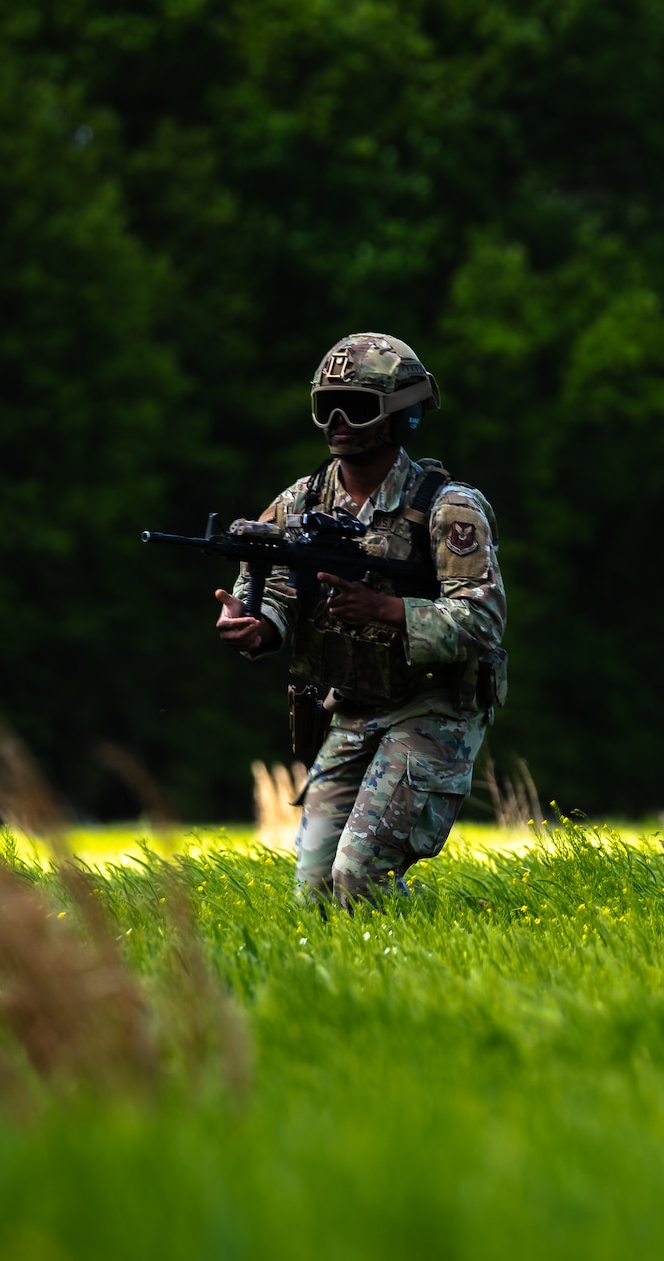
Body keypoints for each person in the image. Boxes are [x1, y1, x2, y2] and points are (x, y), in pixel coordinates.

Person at [213, 333, 507, 908]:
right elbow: (272, 592)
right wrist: (258, 627)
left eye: (360, 406)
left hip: (433, 705)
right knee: (315, 895)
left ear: (403, 417)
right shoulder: (303, 501)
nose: (339, 421)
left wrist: (389, 611)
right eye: (328, 406)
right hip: (352, 706)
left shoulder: (449, 508)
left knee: (359, 876)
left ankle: (472, 930)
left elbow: (483, 621)